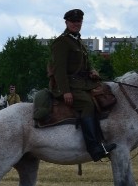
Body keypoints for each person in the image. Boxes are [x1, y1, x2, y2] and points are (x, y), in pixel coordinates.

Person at [49, 8, 115, 161]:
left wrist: (92, 70)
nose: (76, 24)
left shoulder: (77, 41)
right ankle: (94, 148)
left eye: (78, 21)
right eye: (73, 21)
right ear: (66, 22)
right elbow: (59, 70)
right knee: (87, 104)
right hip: (65, 86)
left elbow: (86, 64)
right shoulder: (62, 42)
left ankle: (104, 139)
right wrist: (65, 91)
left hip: (81, 83)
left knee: (105, 94)